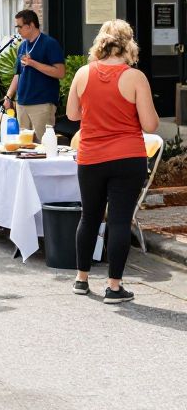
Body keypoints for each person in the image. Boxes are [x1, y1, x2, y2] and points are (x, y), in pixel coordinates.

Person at [66, 20, 158, 304]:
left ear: (100, 42)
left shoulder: (83, 73)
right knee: (118, 220)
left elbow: (71, 115)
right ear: (129, 44)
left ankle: (81, 279)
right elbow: (151, 125)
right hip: (127, 156)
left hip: (91, 156)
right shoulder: (134, 78)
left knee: (89, 217)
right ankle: (114, 287)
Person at [2, 9, 66, 141]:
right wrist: (8, 96)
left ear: (30, 25)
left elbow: (60, 72)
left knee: (43, 145)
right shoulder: (22, 46)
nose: (18, 30)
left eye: (19, 26)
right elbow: (17, 74)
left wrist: (33, 63)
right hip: (22, 103)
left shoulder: (49, 43)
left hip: (42, 103)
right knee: (23, 145)